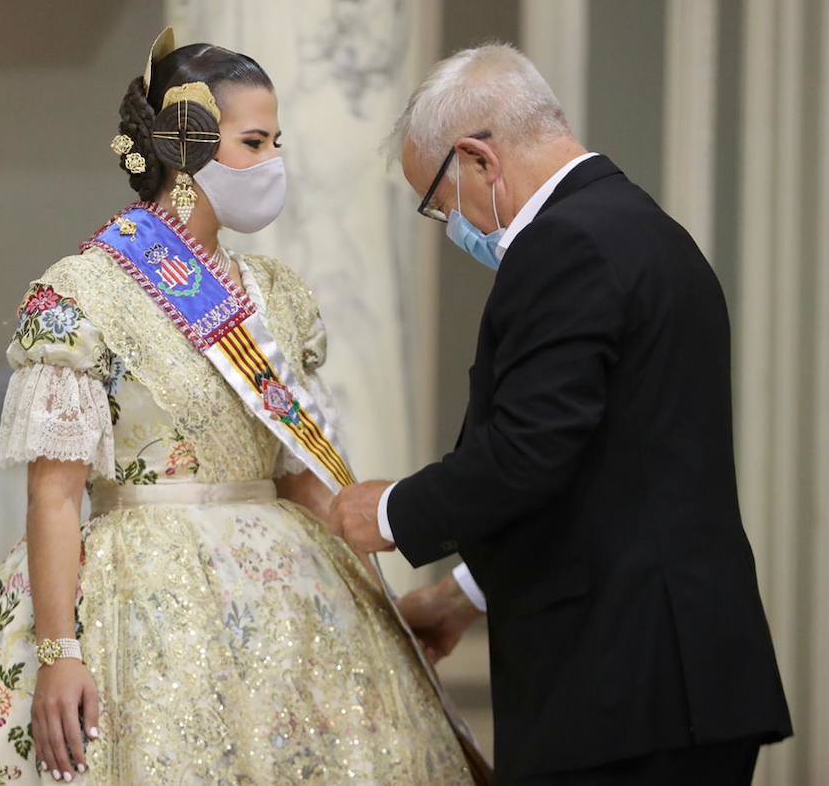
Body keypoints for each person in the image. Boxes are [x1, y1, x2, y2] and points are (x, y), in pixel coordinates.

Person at [0, 29, 474, 785]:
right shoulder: (83, 291)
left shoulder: (278, 297)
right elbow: (56, 494)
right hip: (139, 595)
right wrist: (62, 653)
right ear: (188, 145)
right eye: (254, 142)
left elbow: (296, 475)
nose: (273, 163)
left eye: (276, 141)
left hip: (288, 601)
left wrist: (373, 555)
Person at [329, 44, 793, 785]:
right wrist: (465, 594)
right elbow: (606, 464)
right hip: (680, 675)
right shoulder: (646, 230)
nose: (453, 225)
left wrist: (384, 512)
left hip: (622, 684)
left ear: (479, 159)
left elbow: (526, 453)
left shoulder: (565, 244)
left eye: (441, 203)